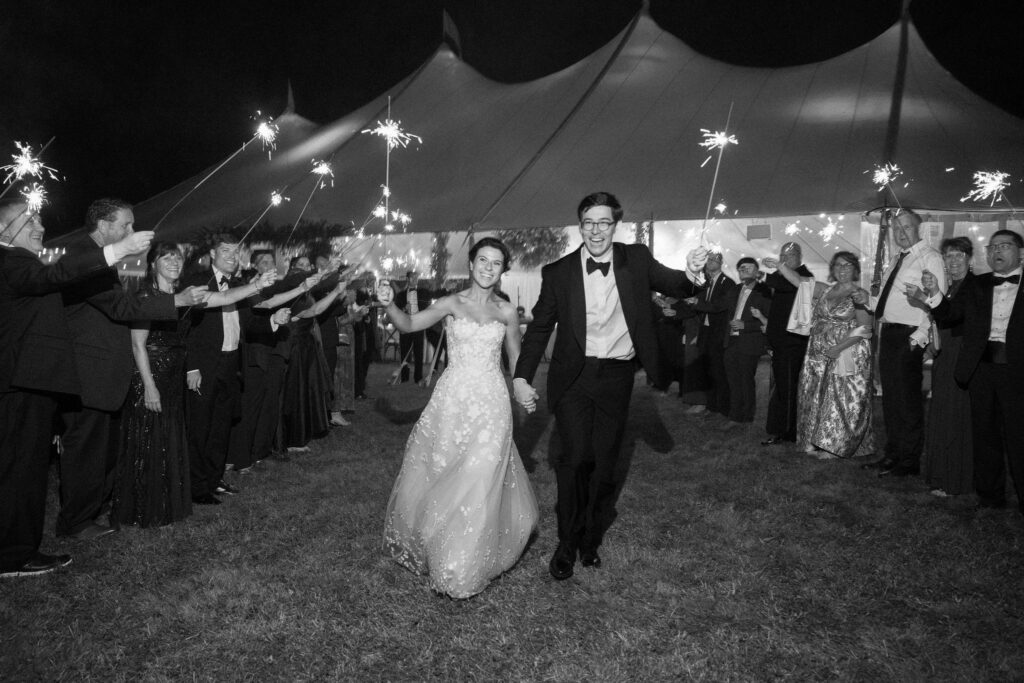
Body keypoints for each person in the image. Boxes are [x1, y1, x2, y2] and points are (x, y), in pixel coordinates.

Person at [513, 191, 703, 580]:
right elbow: (539, 330)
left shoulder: (636, 259)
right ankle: (566, 543)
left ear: (615, 225)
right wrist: (520, 377)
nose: (596, 230)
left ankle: (590, 540)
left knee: (603, 465)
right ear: (579, 226)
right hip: (574, 379)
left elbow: (677, 285)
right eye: (589, 222)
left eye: (604, 222)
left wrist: (694, 272)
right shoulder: (558, 272)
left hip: (617, 377)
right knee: (574, 459)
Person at [379, 237, 539, 598]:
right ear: (471, 264)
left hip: (492, 404)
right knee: (445, 471)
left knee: (479, 477)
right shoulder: (451, 303)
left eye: (496, 263)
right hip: (452, 402)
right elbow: (408, 325)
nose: (487, 268)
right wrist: (390, 305)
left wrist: (522, 388)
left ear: (502, 270)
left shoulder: (506, 312)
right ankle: (439, 549)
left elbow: (517, 361)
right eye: (482, 260)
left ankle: (460, 565)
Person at [0, 199, 152, 577]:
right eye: (28, 219)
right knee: (20, 470)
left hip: (30, 380)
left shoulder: (19, 261)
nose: (40, 226)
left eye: (38, 217)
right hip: (19, 381)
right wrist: (118, 250)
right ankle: (13, 555)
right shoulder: (10, 260)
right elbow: (54, 276)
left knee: (24, 468)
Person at [57, 199, 206, 540]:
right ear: (103, 225)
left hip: (106, 373)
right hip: (89, 373)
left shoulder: (100, 262)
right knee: (86, 451)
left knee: (103, 452)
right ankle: (76, 522)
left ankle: (95, 511)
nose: (130, 232)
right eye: (125, 225)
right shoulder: (83, 258)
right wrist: (178, 300)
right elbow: (122, 307)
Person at [112, 243, 281, 528]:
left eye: (177, 258)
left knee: (169, 437)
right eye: (167, 257)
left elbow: (225, 296)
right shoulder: (145, 296)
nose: (174, 262)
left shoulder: (185, 295)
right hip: (151, 375)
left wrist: (257, 286)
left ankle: (167, 500)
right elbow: (137, 345)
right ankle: (144, 505)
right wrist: (149, 386)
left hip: (174, 376)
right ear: (153, 264)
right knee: (148, 437)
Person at [182, 237, 310, 505]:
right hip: (204, 366)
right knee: (200, 427)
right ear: (212, 253)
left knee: (221, 426)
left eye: (235, 251)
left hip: (231, 364)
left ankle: (214, 479)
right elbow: (189, 329)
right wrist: (192, 366)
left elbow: (250, 322)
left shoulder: (237, 286)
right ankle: (196, 486)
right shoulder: (197, 281)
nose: (231, 255)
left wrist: (274, 320)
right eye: (225, 251)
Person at [912, 230, 1024, 515]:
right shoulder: (978, 285)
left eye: (1005, 246)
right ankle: (990, 497)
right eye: (993, 246)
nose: (997, 251)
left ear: (1019, 252)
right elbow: (950, 315)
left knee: (1018, 436)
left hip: (1016, 372)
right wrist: (936, 292)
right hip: (981, 369)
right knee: (985, 435)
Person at [765, 250, 875, 459]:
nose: (843, 269)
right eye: (838, 265)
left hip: (845, 352)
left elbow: (865, 328)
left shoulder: (859, 294)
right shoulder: (826, 290)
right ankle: (816, 440)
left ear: (855, 270)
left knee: (839, 398)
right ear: (832, 269)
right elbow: (800, 282)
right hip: (817, 352)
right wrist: (781, 266)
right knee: (816, 395)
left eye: (847, 265)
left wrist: (839, 348)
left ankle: (835, 445)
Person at [864, 209, 946, 476]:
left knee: (907, 401)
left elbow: (937, 300)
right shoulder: (898, 258)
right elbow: (888, 301)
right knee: (891, 399)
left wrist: (919, 338)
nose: (900, 233)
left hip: (908, 335)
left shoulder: (930, 258)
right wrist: (865, 300)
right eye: (896, 229)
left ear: (918, 229)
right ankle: (893, 454)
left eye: (906, 228)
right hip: (889, 332)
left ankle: (909, 461)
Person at [911, 237, 974, 497]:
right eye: (949, 256)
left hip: (961, 358)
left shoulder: (973, 286)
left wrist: (933, 295)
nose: (954, 260)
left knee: (956, 417)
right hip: (944, 355)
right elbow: (943, 319)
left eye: (960, 255)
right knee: (940, 414)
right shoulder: (953, 287)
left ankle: (955, 480)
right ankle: (940, 475)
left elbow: (956, 317)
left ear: (970, 259)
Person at [279, 256, 349, 451]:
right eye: (300, 268)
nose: (305, 271)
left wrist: (332, 273)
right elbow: (314, 311)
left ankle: (303, 433)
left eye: (307, 267)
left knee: (307, 391)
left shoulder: (305, 293)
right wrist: (336, 291)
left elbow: (317, 291)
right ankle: (293, 438)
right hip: (295, 348)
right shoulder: (293, 296)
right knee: (296, 393)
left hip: (306, 346)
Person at [761, 242, 813, 445]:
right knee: (781, 387)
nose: (785, 258)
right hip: (780, 343)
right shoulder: (784, 277)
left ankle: (789, 431)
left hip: (791, 343)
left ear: (799, 257)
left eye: (790, 255)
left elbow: (787, 285)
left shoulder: (802, 275)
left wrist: (762, 275)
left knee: (788, 388)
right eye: (783, 255)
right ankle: (781, 427)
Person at [683, 251, 736, 417]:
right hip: (705, 333)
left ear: (721, 263)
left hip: (718, 334)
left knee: (719, 372)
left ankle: (723, 407)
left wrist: (698, 303)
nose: (710, 262)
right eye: (709, 260)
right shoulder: (706, 283)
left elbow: (718, 306)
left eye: (714, 260)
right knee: (708, 372)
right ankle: (712, 405)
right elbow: (697, 302)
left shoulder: (728, 283)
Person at [722, 257, 771, 423]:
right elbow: (719, 307)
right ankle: (735, 414)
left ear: (757, 272)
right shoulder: (735, 290)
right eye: (741, 268)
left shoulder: (764, 291)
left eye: (749, 268)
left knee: (746, 381)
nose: (744, 270)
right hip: (731, 342)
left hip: (750, 342)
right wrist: (695, 302)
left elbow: (769, 321)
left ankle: (747, 415)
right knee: (733, 381)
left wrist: (746, 325)